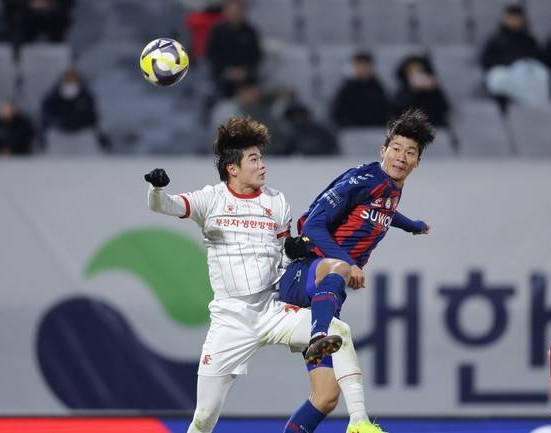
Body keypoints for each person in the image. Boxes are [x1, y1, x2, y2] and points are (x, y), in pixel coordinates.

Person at [144, 116, 382, 433]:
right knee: (204, 415)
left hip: (271, 309)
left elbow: (283, 255)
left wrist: (292, 251)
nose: (262, 165)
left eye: (261, 158)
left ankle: (359, 422)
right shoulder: (210, 199)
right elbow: (164, 205)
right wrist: (156, 188)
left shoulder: (275, 201)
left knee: (340, 329)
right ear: (233, 168)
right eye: (254, 159)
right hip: (231, 318)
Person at [277, 109, 434, 430]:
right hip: (305, 275)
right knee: (336, 274)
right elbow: (313, 225)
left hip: (324, 293)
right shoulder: (365, 180)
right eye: (396, 149)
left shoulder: (389, 187)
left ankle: (321, 338)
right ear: (383, 150)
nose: (401, 157)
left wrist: (412, 225)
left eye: (410, 152)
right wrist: (347, 263)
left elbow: (384, 211)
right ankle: (320, 337)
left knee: (325, 397)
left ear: (417, 161)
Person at [480, 5, 550, 107]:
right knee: (498, 79)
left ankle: (534, 105)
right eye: (511, 17)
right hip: (505, 73)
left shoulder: (529, 40)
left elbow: (538, 58)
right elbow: (486, 61)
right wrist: (509, 65)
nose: (514, 21)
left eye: (516, 18)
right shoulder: (495, 40)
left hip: (525, 75)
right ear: (505, 18)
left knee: (541, 74)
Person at [204, 0, 262, 98]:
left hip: (244, 75)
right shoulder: (217, 31)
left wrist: (245, 70)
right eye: (232, 10)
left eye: (238, 10)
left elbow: (256, 56)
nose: (235, 13)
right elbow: (211, 54)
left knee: (251, 92)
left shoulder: (250, 32)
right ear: (226, 11)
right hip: (222, 75)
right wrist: (226, 70)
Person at [331, 52, 390, 128]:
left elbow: (384, 111)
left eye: (366, 65)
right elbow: (337, 113)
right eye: (359, 65)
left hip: (374, 129)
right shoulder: (345, 89)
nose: (362, 69)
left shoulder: (377, 88)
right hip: (351, 130)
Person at [392, 55, 449, 127]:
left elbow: (443, 109)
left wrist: (433, 91)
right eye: (411, 71)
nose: (416, 74)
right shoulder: (403, 91)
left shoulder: (434, 90)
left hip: (434, 127)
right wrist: (413, 93)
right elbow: (397, 110)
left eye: (420, 71)